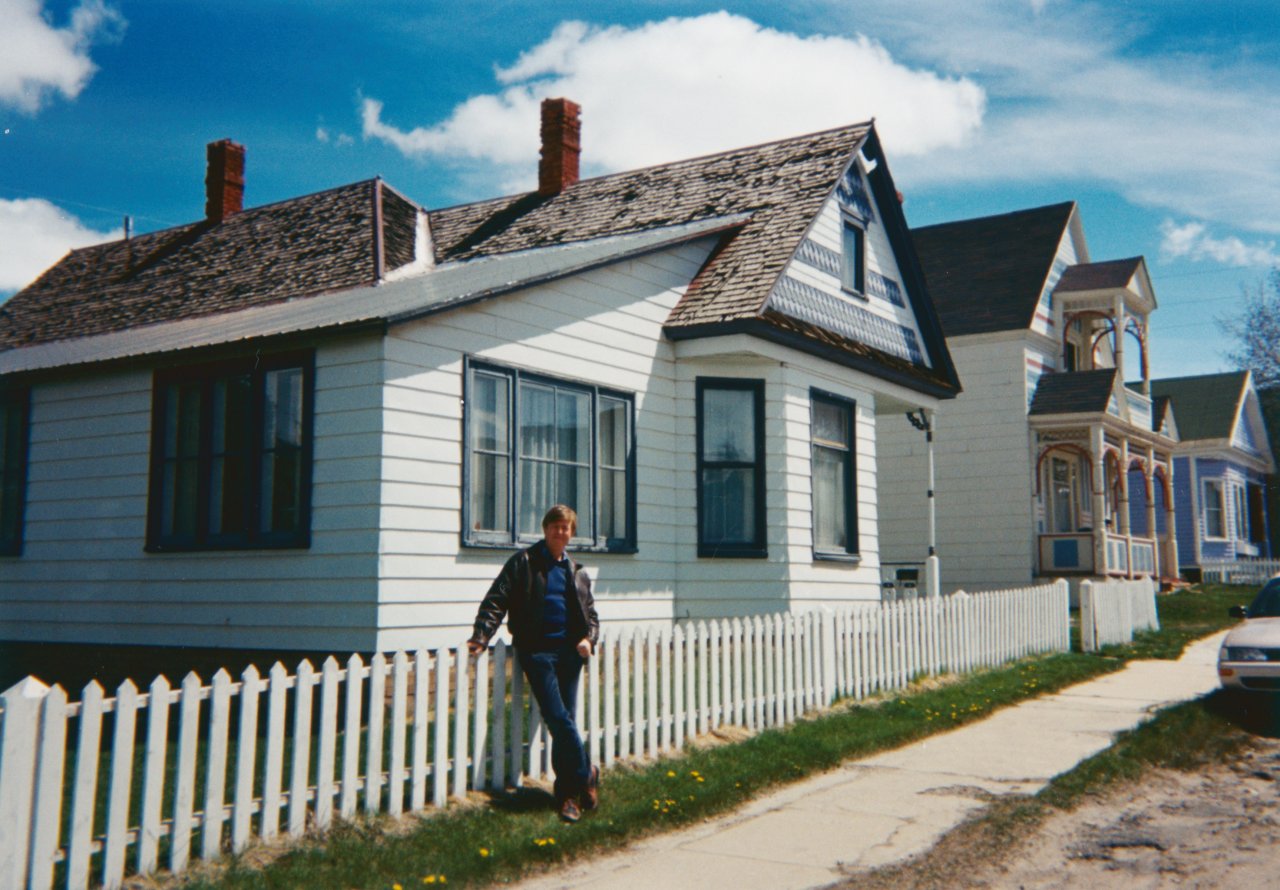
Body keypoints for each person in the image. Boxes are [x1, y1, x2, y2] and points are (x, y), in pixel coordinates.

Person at [467, 504, 600, 822]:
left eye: (566, 527)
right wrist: (481, 635)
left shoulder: (577, 571)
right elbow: (496, 599)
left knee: (563, 720)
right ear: (545, 530)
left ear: (572, 533)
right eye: (555, 526)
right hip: (537, 652)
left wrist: (588, 639)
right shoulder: (523, 563)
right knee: (558, 717)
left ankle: (567, 796)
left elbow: (591, 616)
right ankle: (586, 774)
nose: (560, 532)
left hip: (569, 655)